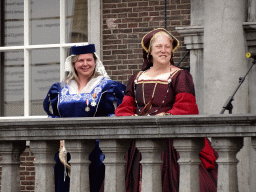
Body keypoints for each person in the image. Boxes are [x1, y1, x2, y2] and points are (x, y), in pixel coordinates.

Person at [115, 28, 218, 192]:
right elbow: (125, 107)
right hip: (138, 142)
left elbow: (187, 106)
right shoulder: (136, 77)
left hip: (171, 142)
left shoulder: (180, 76)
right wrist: (132, 117)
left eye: (167, 47)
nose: (163, 50)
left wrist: (168, 115)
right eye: (159, 47)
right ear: (150, 51)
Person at [43, 44, 126, 192]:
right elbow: (53, 117)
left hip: (96, 152)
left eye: (89, 60)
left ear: (95, 62)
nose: (85, 64)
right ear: (73, 63)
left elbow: (116, 117)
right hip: (65, 151)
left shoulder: (108, 87)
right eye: (81, 60)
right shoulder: (60, 89)